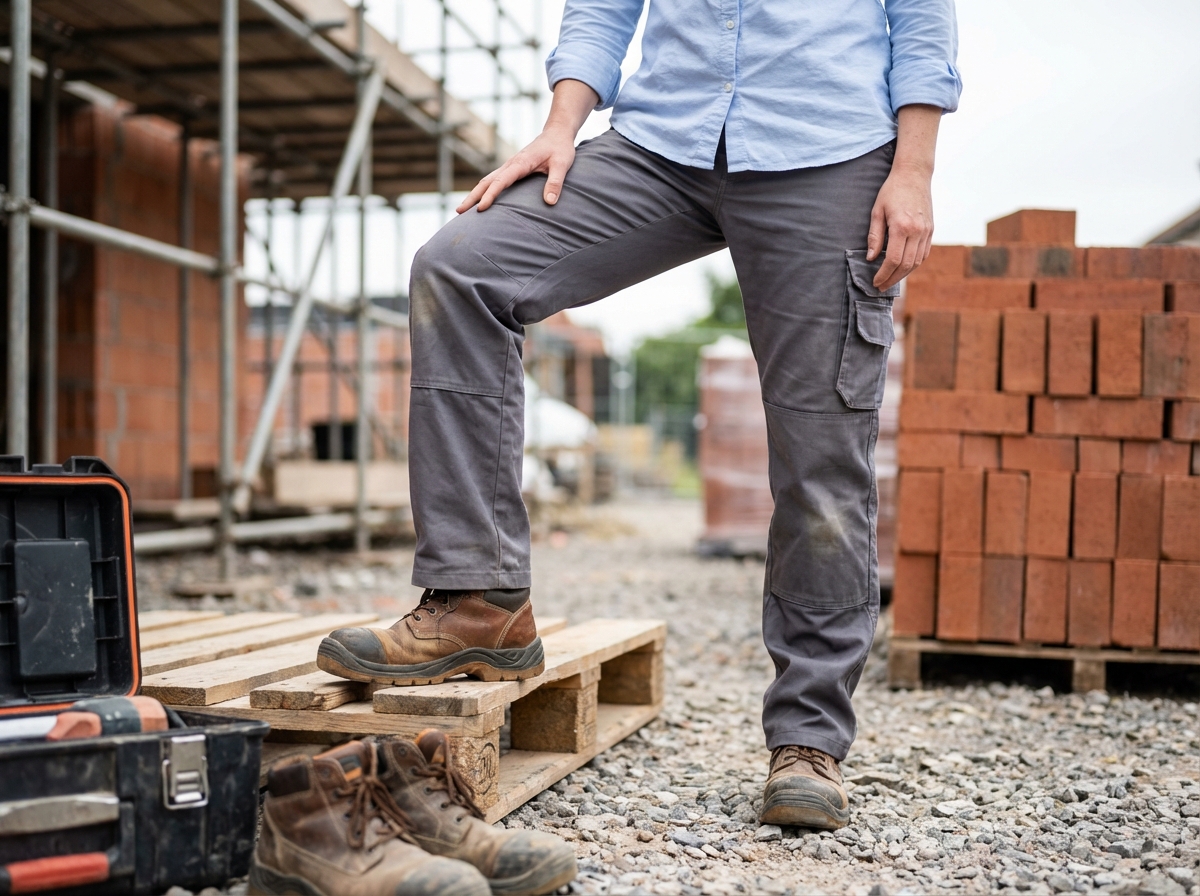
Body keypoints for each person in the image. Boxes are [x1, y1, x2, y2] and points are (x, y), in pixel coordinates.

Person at [319, 0, 961, 831]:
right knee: (462, 268)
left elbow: (920, 16)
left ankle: (808, 742)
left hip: (827, 150)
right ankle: (479, 600)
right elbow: (602, 6)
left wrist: (914, 169)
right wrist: (561, 123)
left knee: (820, 461)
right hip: (664, 144)